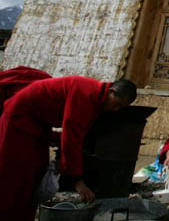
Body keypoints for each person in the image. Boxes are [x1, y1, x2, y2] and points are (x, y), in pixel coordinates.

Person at [0, 72, 137, 221]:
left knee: (34, 177)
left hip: (38, 126)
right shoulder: (86, 93)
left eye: (121, 108)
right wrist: (77, 180)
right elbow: (72, 136)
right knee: (15, 177)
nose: (116, 110)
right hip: (19, 121)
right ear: (111, 91)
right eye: (117, 104)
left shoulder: (96, 98)